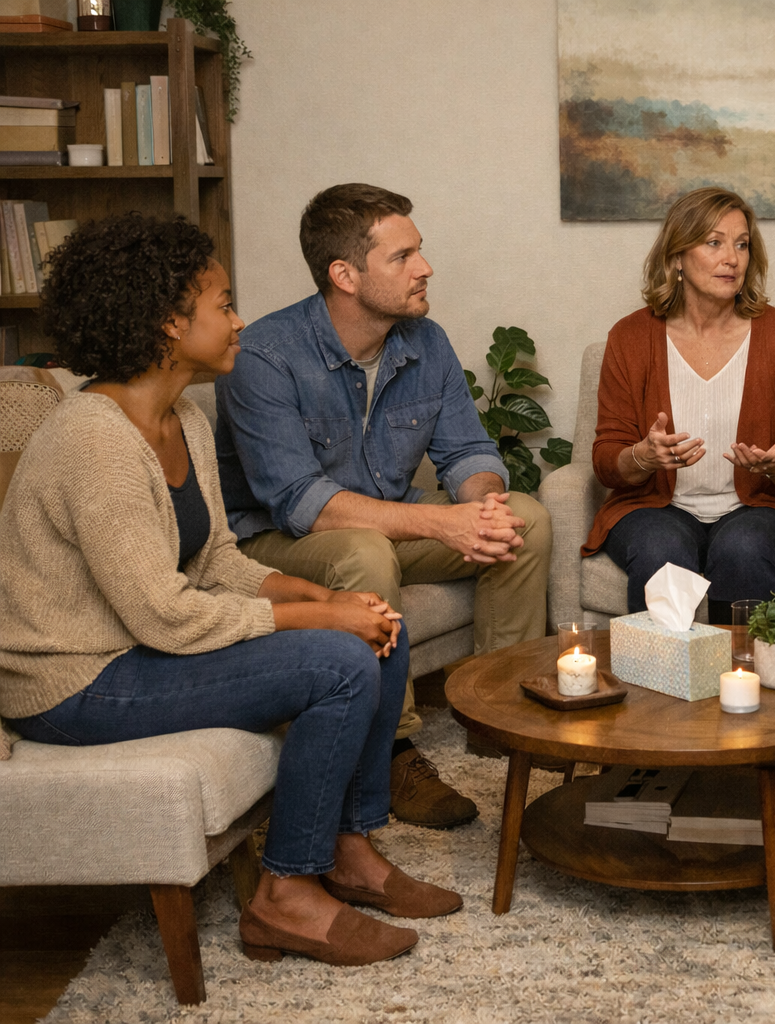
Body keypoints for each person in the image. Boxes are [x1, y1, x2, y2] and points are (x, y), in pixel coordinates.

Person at [0, 213, 461, 967]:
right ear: (167, 324)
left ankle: (349, 849)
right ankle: (287, 896)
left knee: (383, 630)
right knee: (338, 662)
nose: (239, 318)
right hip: (73, 681)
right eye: (221, 304)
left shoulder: (179, 417)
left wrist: (336, 605)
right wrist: (318, 613)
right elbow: (166, 615)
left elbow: (214, 559)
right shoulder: (94, 438)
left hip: (136, 652)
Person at [216, 183, 552, 829]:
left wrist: (480, 507)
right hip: (281, 540)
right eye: (403, 257)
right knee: (362, 547)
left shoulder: (425, 341)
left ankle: (497, 715)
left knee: (526, 521)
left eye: (419, 252)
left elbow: (469, 452)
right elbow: (301, 503)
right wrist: (440, 521)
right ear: (345, 274)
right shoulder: (264, 356)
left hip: (386, 520)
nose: (424, 268)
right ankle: (390, 749)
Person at [584, 187, 775, 620]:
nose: (732, 258)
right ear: (677, 256)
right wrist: (643, 457)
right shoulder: (629, 337)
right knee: (660, 547)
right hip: (656, 508)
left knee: (743, 546)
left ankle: (747, 680)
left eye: (742, 244)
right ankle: (661, 680)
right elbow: (607, 460)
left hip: (759, 508)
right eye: (714, 242)